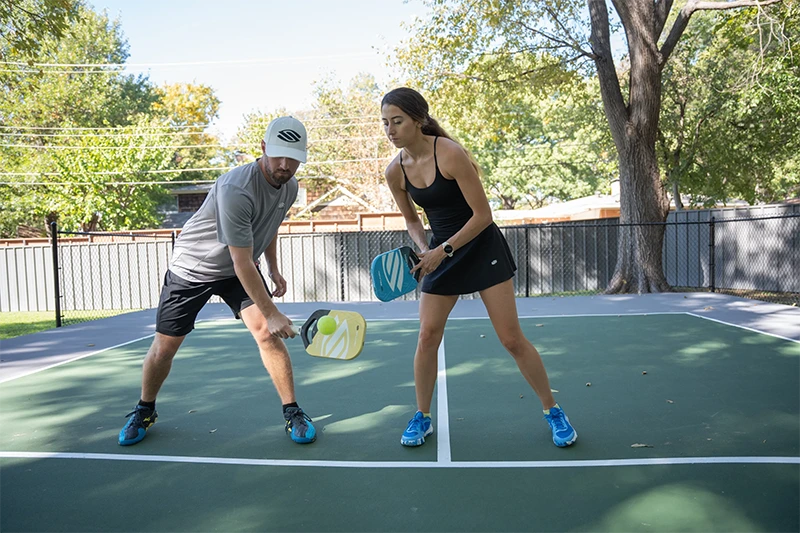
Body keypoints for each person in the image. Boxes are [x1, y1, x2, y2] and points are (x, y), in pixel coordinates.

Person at [380, 88, 577, 448]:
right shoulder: (395, 172)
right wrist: (426, 250)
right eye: (385, 123)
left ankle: (553, 411)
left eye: (397, 121)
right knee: (426, 337)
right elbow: (411, 220)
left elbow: (483, 216)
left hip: (480, 244)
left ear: (418, 120)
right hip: (441, 253)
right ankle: (421, 417)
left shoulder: (450, 154)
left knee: (511, 339)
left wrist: (443, 249)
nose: (390, 130)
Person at [118, 116, 316, 446]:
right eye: (278, 154)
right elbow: (241, 261)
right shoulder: (236, 188)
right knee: (165, 348)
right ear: (263, 148)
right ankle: (144, 408)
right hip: (193, 268)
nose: (284, 164)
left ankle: (292, 410)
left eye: (292, 157)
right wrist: (271, 311)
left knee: (266, 335)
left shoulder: (290, 187)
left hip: (238, 268)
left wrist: (274, 268)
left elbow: (269, 224)